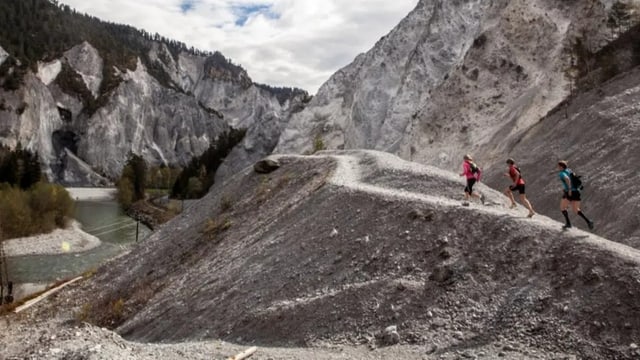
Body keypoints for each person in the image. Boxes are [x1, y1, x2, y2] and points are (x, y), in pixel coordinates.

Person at [558, 160, 594, 230]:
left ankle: (568, 224)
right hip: (577, 192)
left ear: (561, 167)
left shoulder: (562, 173)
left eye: (558, 166)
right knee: (576, 209)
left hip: (569, 192)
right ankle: (589, 221)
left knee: (562, 208)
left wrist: (569, 190)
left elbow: (567, 179)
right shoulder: (569, 170)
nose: (558, 168)